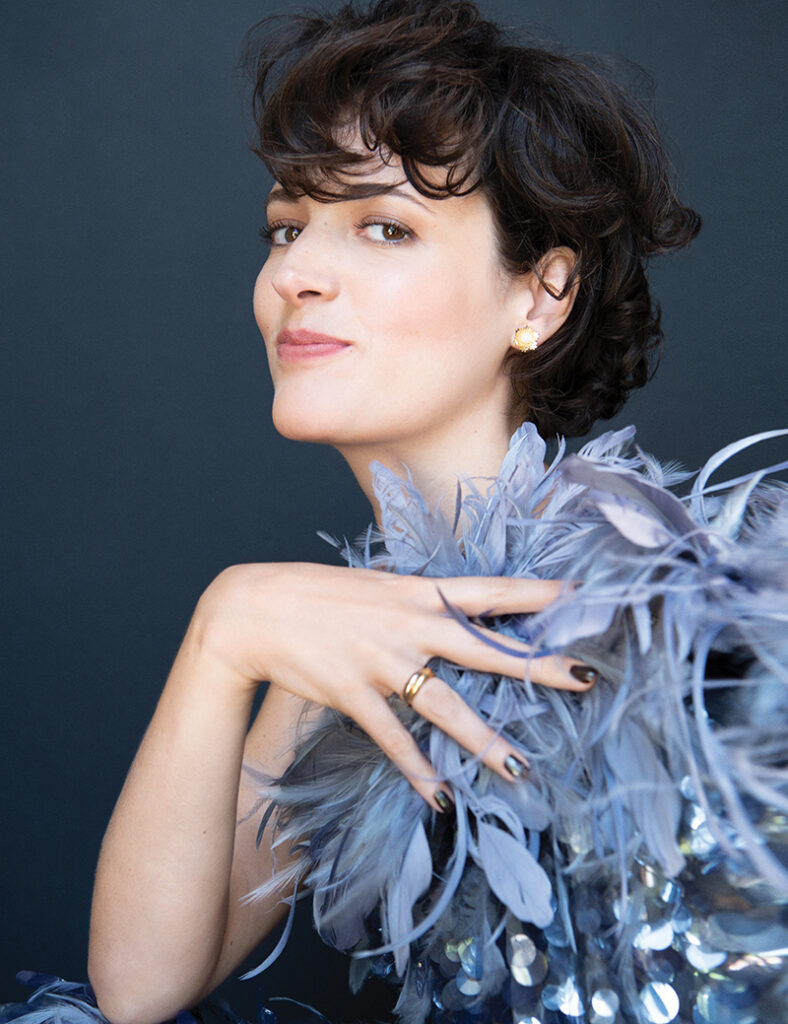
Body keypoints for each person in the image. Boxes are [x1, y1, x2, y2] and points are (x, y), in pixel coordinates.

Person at [3, 2, 786, 1023]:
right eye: (288, 226)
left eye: (385, 226)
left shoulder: (683, 613)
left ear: (540, 296)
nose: (295, 274)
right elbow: (142, 986)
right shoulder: (342, 631)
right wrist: (223, 630)